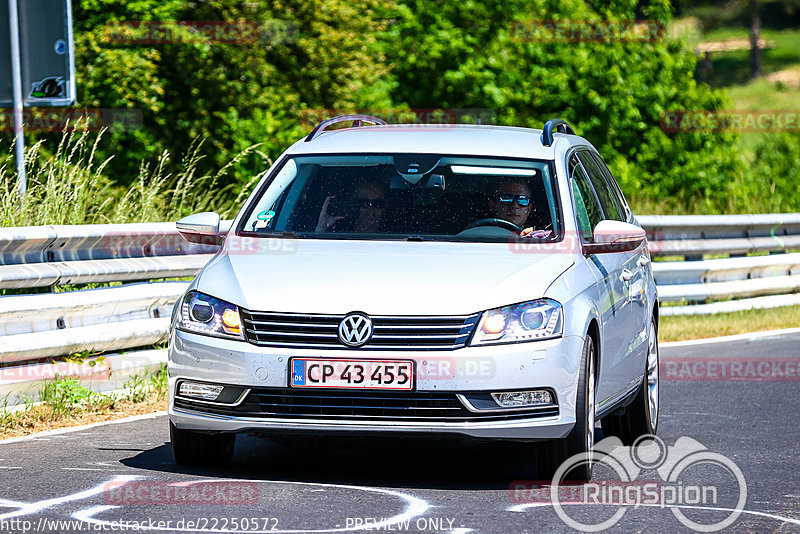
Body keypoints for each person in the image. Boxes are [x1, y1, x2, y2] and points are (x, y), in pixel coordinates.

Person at [315, 179, 388, 233]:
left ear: (386, 207)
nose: (371, 209)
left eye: (378, 204)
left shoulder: (396, 238)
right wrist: (321, 228)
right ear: (352, 205)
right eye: (364, 203)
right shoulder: (338, 233)